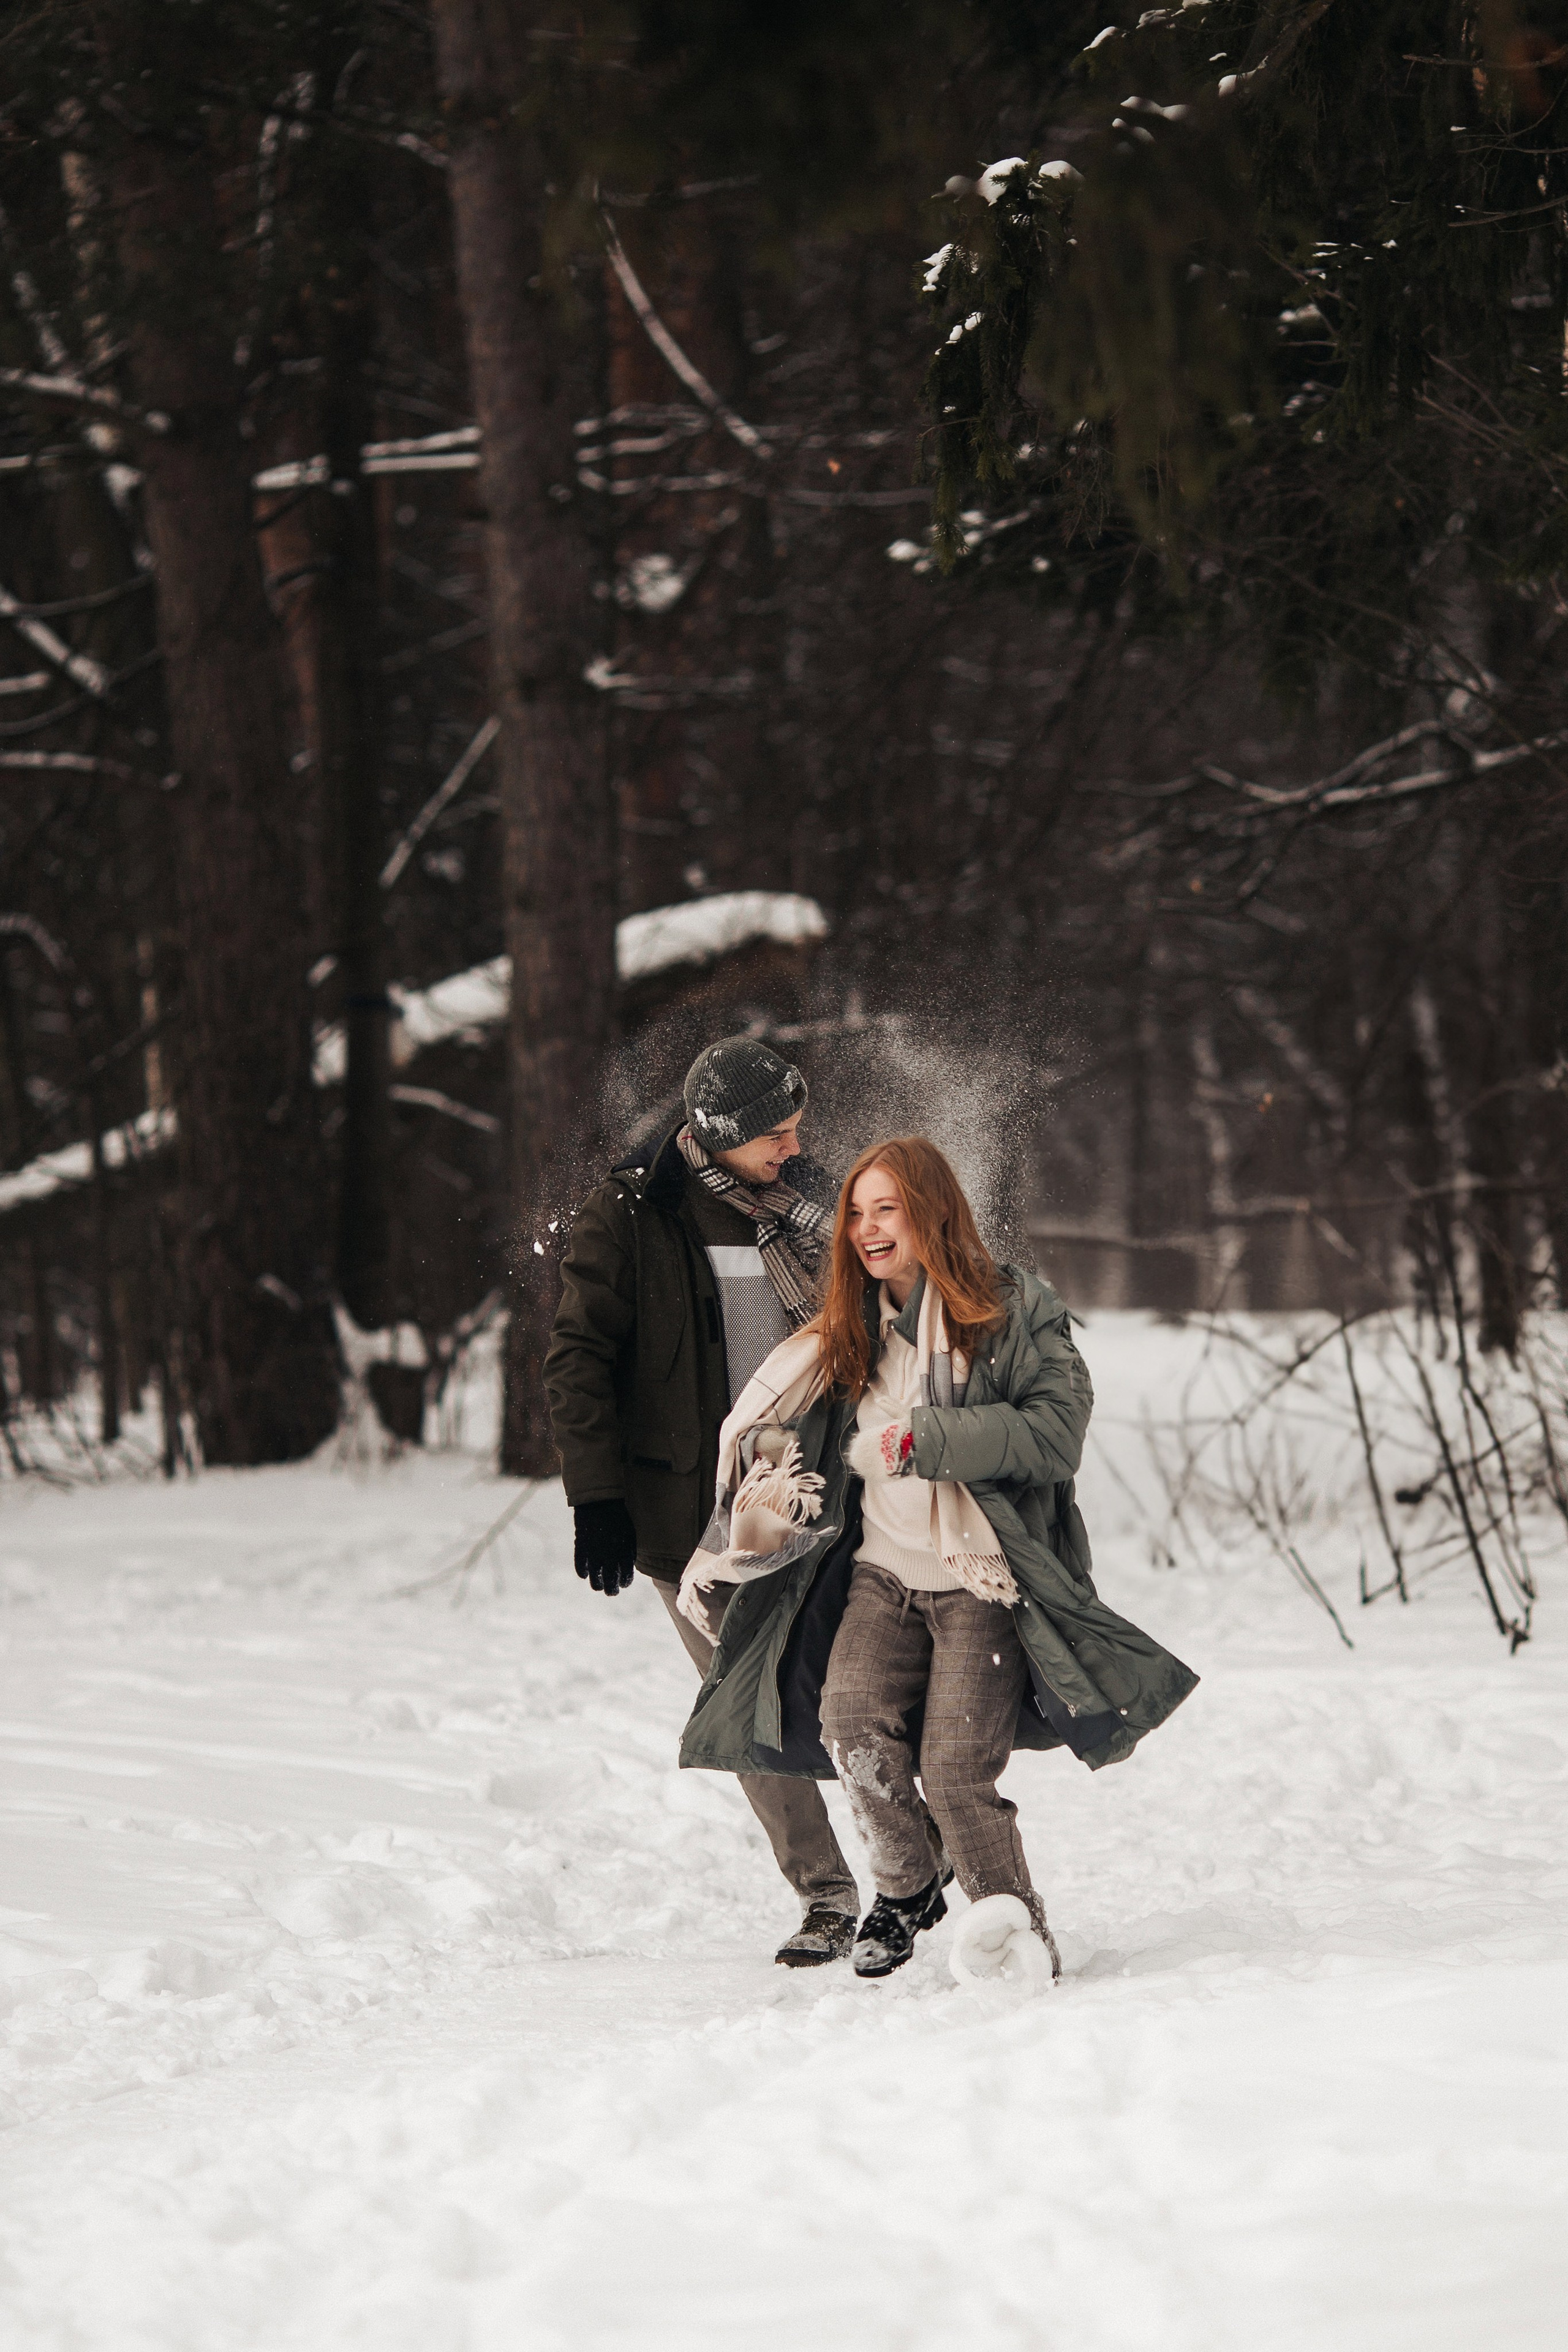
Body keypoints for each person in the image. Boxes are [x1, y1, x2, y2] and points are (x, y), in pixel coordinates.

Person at [675, 1136, 1199, 1981]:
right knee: (849, 1728)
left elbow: (1056, 1436)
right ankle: (911, 1885)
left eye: (887, 1209)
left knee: (955, 1772)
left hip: (979, 1580)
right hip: (880, 1576)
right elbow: (789, 1428)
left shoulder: (1010, 1311)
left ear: (932, 1212)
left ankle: (1015, 1940)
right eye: (855, 1211)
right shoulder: (845, 1329)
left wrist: (925, 1438)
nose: (867, 1228)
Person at [545, 1035, 861, 1967]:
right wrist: (596, 1497)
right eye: (777, 1134)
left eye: (801, 1129)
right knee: (747, 1703)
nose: (794, 1149)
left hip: (821, 1487)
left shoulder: (817, 1203)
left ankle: (912, 1871)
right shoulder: (633, 1213)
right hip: (691, 1517)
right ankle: (828, 1896)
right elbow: (579, 1360)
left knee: (861, 1687)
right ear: (720, 1133)